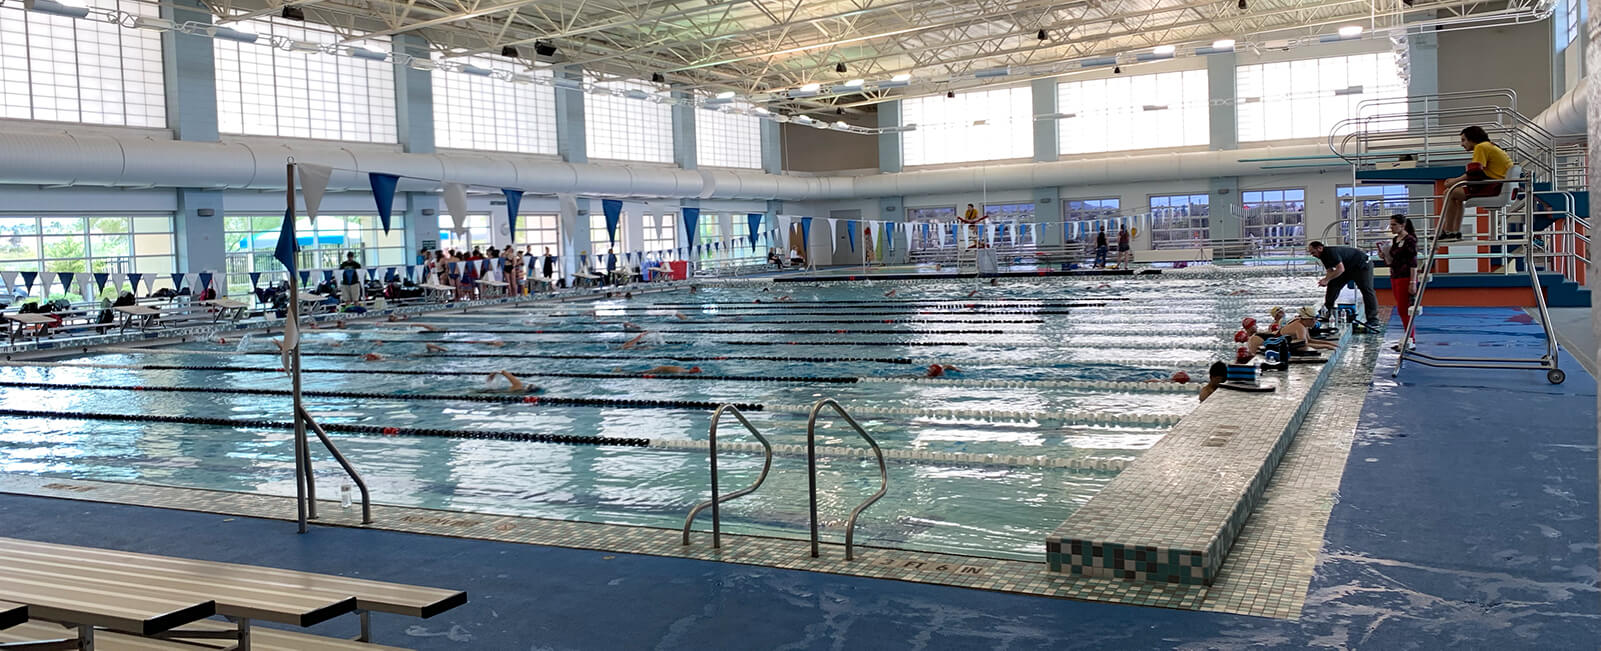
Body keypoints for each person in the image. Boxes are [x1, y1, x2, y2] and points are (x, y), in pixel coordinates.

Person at [1437, 126, 1513, 242]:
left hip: (1494, 187)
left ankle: (1449, 231)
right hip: (1499, 185)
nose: (1462, 144)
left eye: (1463, 140)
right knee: (1456, 196)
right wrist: (1457, 181)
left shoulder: (1481, 147)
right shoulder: (1492, 146)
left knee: (1449, 192)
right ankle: (1454, 232)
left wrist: (1454, 181)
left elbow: (1474, 173)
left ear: (1472, 138)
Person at [1306, 240, 1379, 329]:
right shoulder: (1322, 256)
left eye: (1313, 252)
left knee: (1367, 290)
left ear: (1320, 248)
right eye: (1310, 253)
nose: (1312, 255)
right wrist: (1326, 280)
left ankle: (1373, 320)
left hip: (1362, 265)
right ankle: (1326, 312)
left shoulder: (1331, 252)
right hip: (1348, 268)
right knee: (1333, 284)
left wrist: (1326, 279)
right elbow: (1330, 271)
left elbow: (1340, 269)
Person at [1380, 214, 1419, 349]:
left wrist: (1412, 282)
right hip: (1395, 275)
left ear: (1402, 225)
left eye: (1394, 225)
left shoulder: (1410, 240)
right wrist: (1385, 255)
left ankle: (1411, 339)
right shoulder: (1396, 240)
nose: (1391, 227)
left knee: (1404, 309)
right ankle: (1408, 337)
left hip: (1405, 277)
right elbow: (1393, 260)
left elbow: (1413, 262)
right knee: (1401, 309)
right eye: (1391, 225)